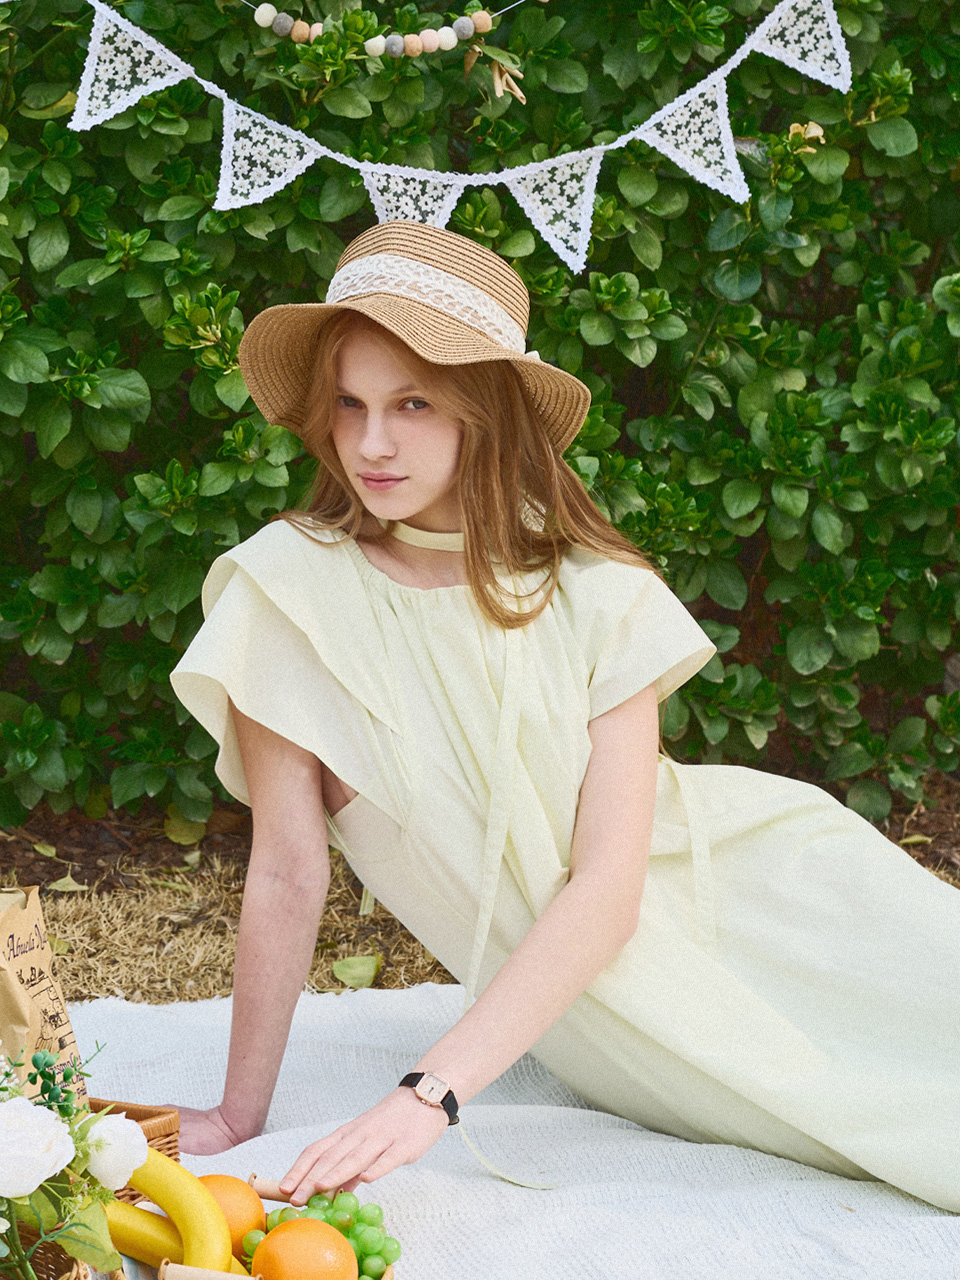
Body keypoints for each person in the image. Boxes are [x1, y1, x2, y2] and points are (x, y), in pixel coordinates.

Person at [169, 220, 960, 1214]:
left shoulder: (595, 589)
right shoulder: (286, 592)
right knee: (898, 1127)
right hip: (625, 1005)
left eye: (413, 402)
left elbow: (609, 888)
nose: (371, 443)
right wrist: (238, 1114)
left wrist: (429, 1093)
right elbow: (289, 870)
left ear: (483, 409)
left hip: (773, 888)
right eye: (349, 403)